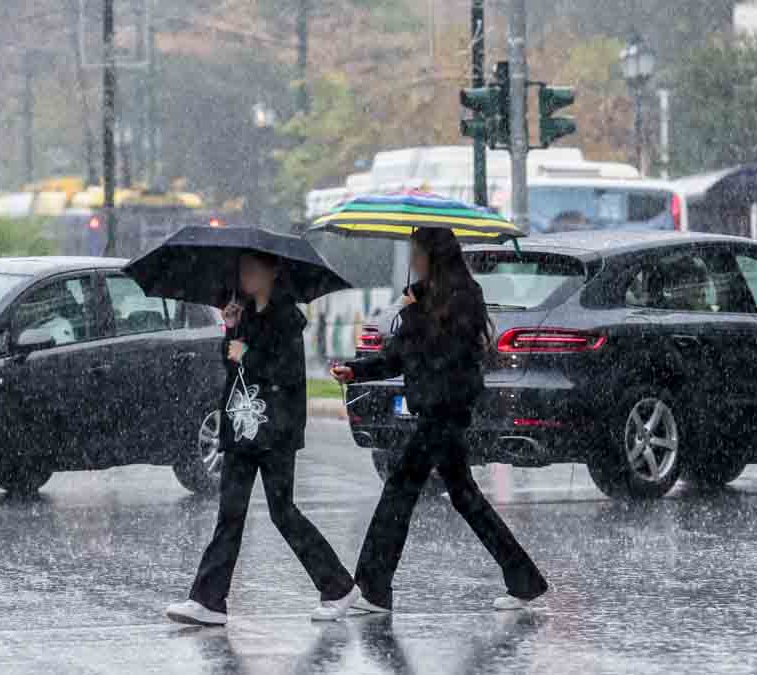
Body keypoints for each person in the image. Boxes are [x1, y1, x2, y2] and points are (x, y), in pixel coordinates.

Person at [331, 227, 549, 613]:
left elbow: (448, 355)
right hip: (432, 409)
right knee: (464, 496)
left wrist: (414, 311)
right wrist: (356, 370)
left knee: (399, 489)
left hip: (446, 411)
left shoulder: (466, 297)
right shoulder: (424, 297)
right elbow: (398, 356)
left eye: (418, 252)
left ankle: (374, 588)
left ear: (436, 255)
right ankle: (524, 579)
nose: (413, 260)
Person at [166, 251, 360, 626]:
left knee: (282, 512)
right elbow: (233, 367)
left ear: (273, 273)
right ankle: (208, 601)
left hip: (275, 431)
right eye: (242, 270)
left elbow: (283, 374)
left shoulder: (286, 318)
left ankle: (337, 586)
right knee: (230, 514)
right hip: (242, 428)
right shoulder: (245, 313)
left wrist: (246, 354)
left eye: (252, 270)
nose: (245, 277)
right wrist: (230, 329)